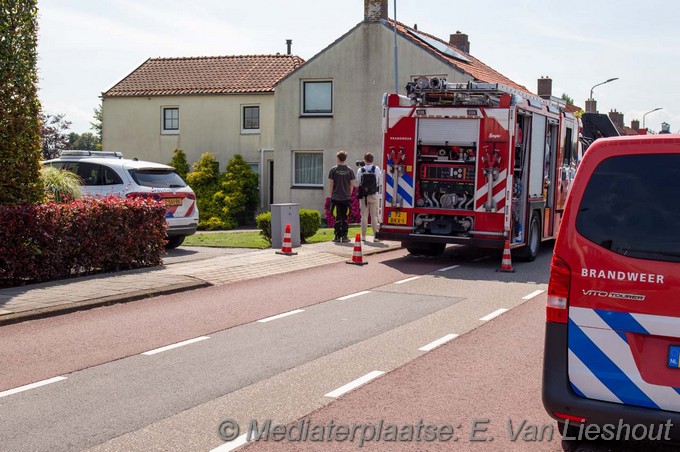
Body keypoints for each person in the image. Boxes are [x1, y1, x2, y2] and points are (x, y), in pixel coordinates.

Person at [328, 150, 355, 243]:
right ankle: (344, 236)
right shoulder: (350, 170)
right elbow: (351, 185)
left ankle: (336, 236)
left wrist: (331, 195)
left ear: (338, 158)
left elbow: (331, 184)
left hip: (336, 198)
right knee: (344, 217)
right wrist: (349, 194)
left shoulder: (333, 170)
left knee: (337, 217)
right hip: (346, 198)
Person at [356, 152, 382, 242]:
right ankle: (375, 236)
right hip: (374, 195)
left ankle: (363, 236)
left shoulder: (360, 170)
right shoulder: (377, 169)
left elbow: (359, 181)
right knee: (374, 216)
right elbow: (379, 180)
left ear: (364, 159)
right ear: (372, 160)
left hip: (364, 196)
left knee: (364, 216)